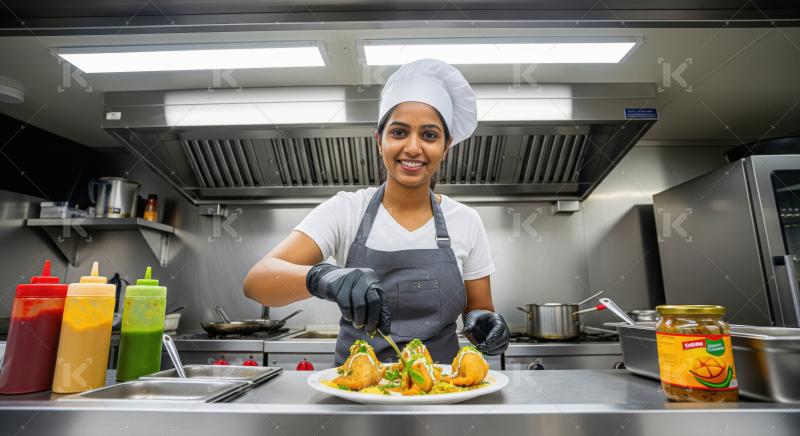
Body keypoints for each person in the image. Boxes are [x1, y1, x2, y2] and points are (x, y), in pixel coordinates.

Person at [244, 58, 510, 365]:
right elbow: (256, 283)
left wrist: (485, 324)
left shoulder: (466, 221)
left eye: (429, 135)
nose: (413, 147)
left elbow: (479, 310)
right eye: (399, 132)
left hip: (441, 394)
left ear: (446, 146)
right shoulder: (346, 211)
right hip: (356, 395)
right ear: (378, 140)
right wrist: (323, 278)